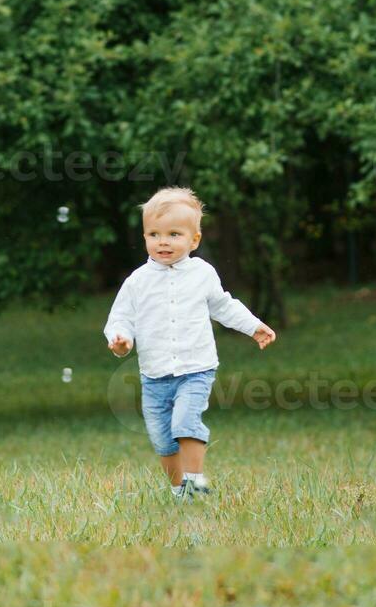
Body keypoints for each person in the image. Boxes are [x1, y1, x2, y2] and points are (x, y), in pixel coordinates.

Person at [104, 186, 277, 498]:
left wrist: (254, 327)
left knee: (185, 421)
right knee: (161, 437)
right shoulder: (137, 282)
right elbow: (121, 319)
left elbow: (224, 306)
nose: (163, 242)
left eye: (174, 234)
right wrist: (122, 341)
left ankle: (195, 481)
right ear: (144, 237)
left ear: (194, 239)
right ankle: (178, 491)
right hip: (154, 375)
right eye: (154, 234)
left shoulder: (202, 274)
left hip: (196, 369)